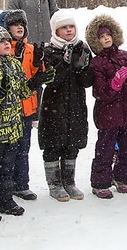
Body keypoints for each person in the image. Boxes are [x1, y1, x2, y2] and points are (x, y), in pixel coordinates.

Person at [0, 22, 53, 222]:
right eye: (1, 41)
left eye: (7, 40)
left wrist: (36, 81)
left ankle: (5, 199)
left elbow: (22, 92)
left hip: (13, 126)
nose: (7, 43)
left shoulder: (14, 63)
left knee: (7, 168)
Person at [86, 14, 127, 198]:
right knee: (105, 148)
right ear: (95, 41)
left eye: (108, 34)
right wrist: (114, 84)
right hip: (107, 113)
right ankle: (100, 182)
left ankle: (122, 178)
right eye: (101, 36)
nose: (106, 38)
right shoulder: (96, 63)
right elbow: (99, 92)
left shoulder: (125, 56)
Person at [39, 11, 93, 202]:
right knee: (54, 142)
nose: (69, 30)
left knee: (72, 142)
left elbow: (87, 82)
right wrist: (64, 62)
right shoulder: (49, 50)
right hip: (54, 104)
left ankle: (69, 181)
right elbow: (52, 81)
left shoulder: (81, 47)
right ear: (56, 30)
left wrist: (84, 66)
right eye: (64, 27)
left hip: (76, 103)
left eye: (71, 27)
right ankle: (54, 184)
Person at [0, 10, 42, 201]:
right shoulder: (3, 49)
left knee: (24, 148)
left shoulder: (30, 49)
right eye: (15, 24)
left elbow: (38, 77)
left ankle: (22, 184)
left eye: (22, 24)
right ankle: (5, 185)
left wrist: (40, 63)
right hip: (9, 109)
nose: (20, 27)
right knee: (8, 150)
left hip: (27, 107)